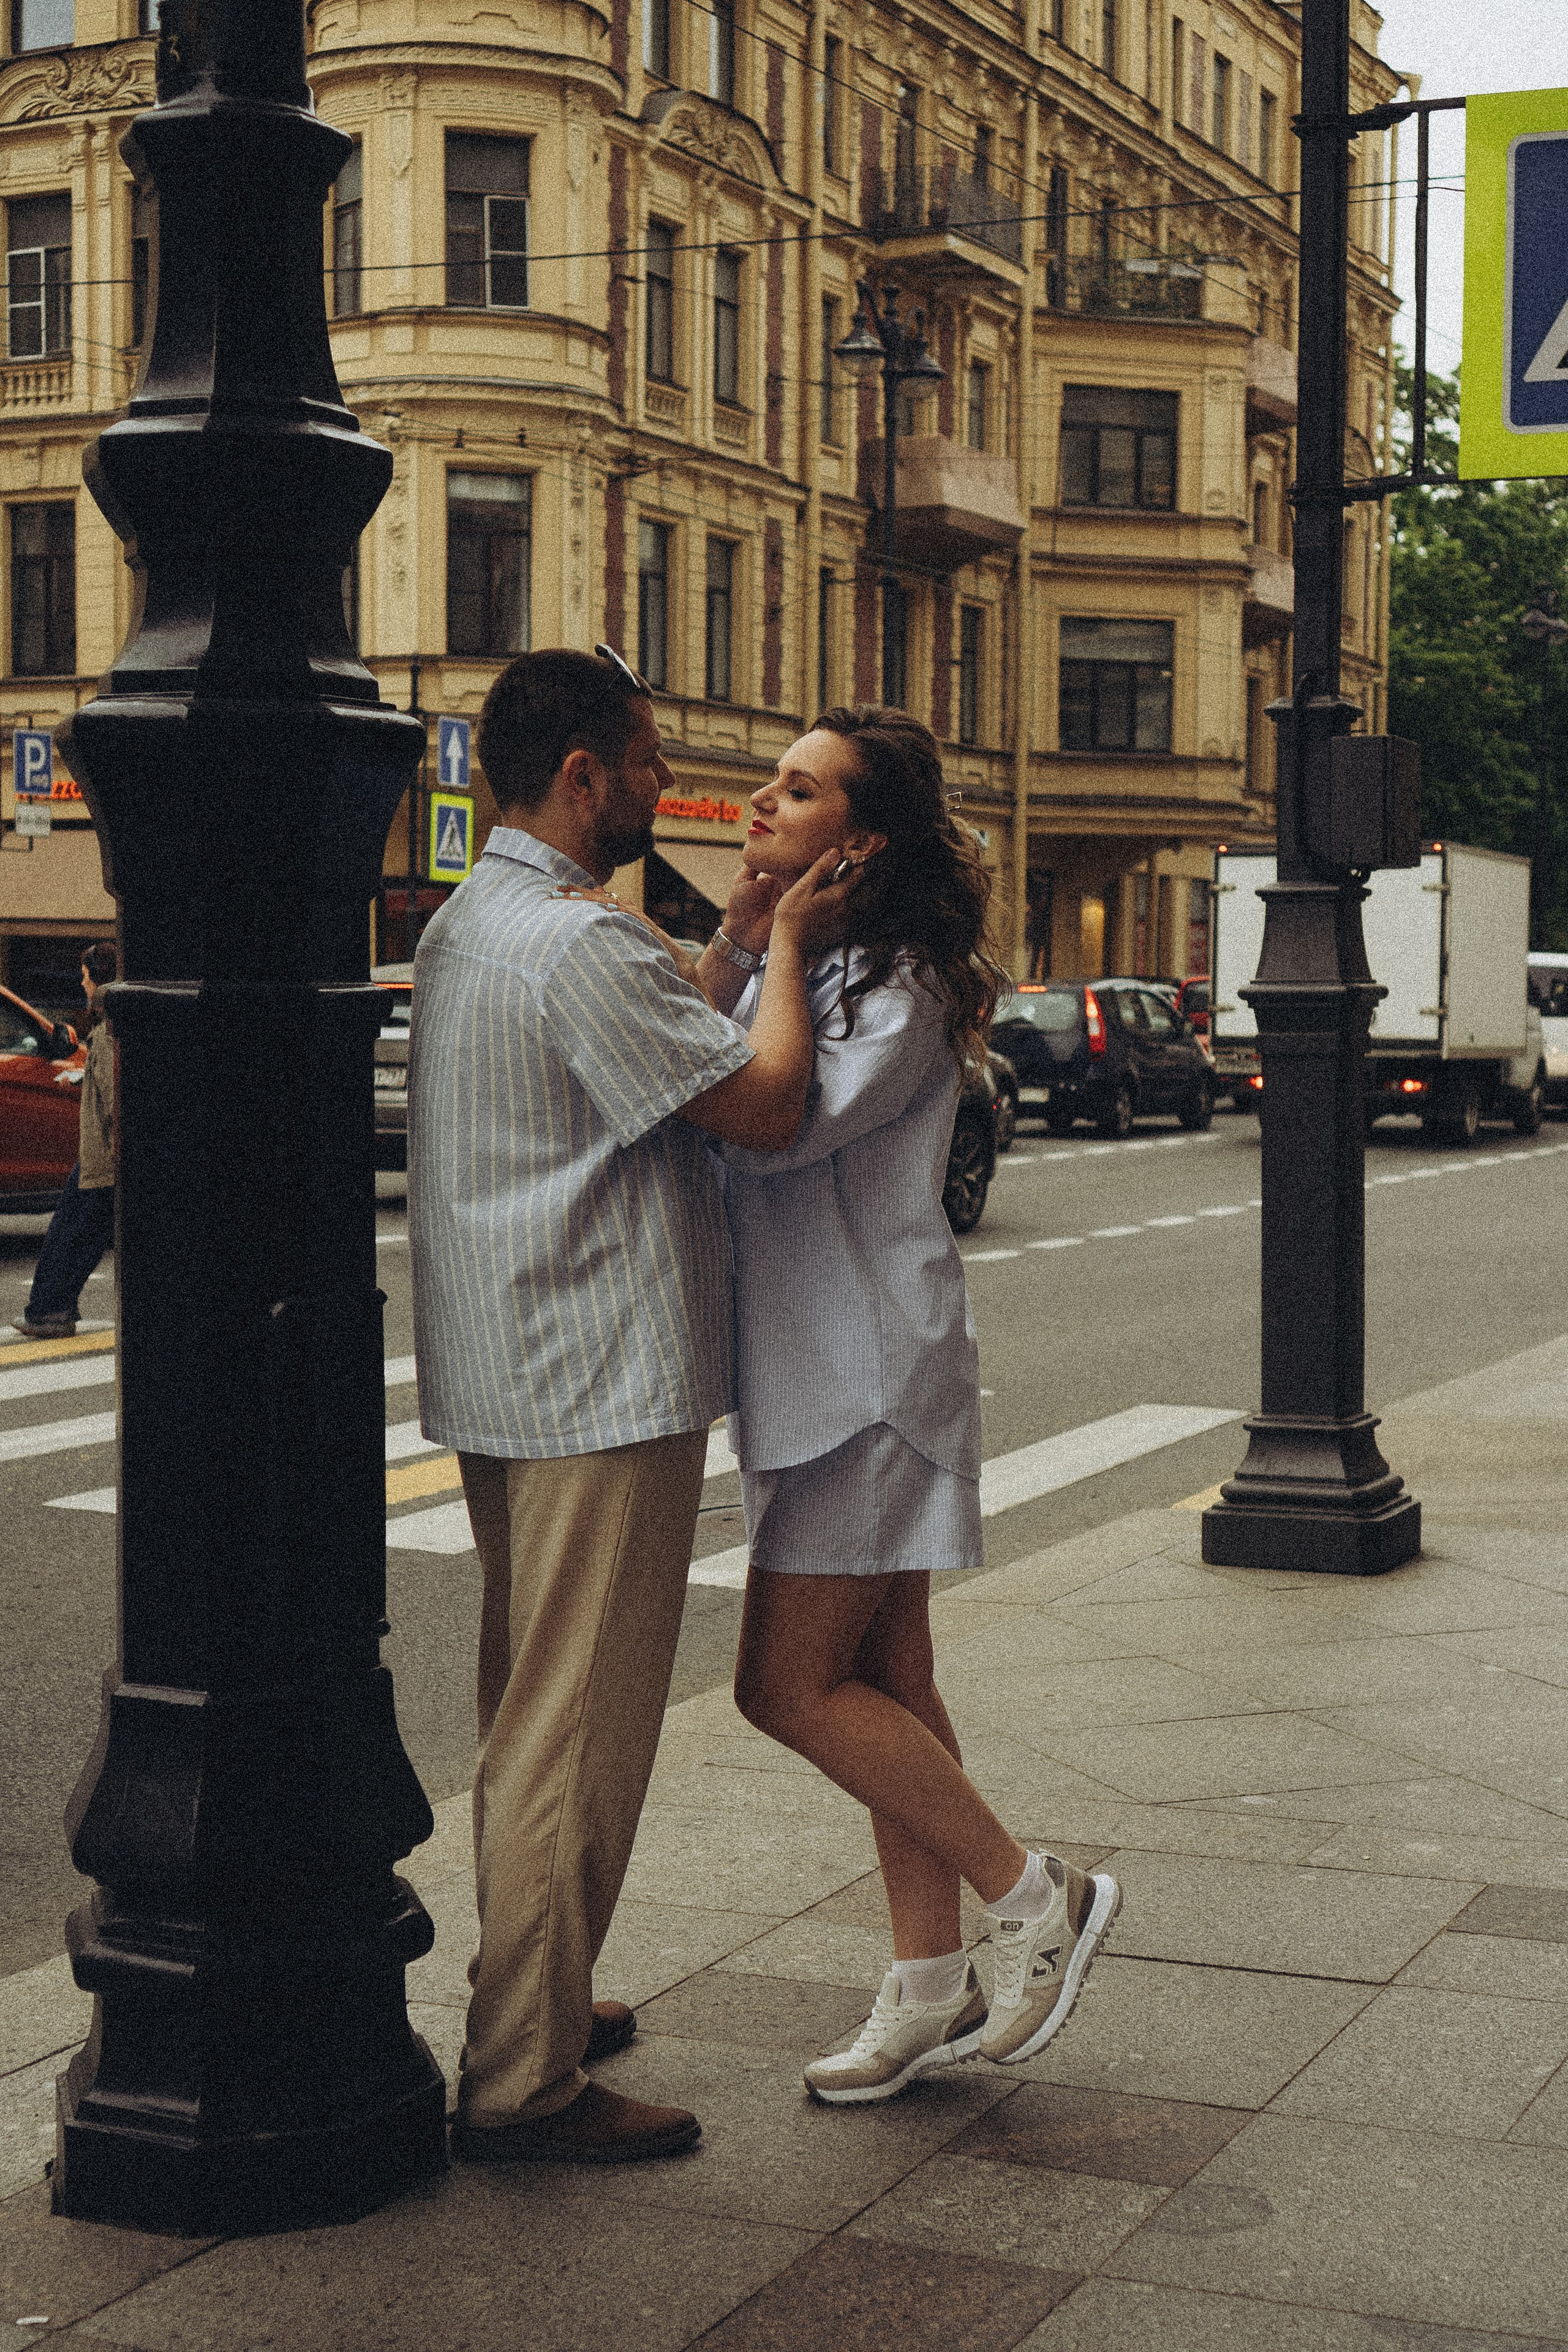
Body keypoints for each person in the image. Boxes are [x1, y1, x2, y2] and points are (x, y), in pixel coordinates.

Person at [407, 648, 846, 2165]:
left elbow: (654, 1050)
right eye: (649, 761)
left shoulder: (476, 922)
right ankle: (524, 2078)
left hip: (510, 1366)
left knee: (527, 1709)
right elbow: (760, 1101)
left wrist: (727, 939)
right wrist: (790, 948)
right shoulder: (579, 943)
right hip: (597, 1376)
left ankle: (534, 1993)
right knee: (574, 1734)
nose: (669, 784)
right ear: (582, 773)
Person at [721, 707, 1123, 2104]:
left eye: (797, 790)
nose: (760, 802)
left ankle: (1035, 1896)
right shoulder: (828, 966)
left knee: (781, 1685)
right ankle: (925, 1981)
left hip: (864, 1377)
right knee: (890, 1682)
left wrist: (772, 947)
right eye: (770, 780)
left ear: (862, 843)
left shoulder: (896, 988)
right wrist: (755, 939)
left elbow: (768, 1122)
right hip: (816, 1369)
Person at [16, 942, 118, 1341]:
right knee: (79, 1239)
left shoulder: (108, 1034)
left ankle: (49, 1313)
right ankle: (52, 1311)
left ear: (100, 981)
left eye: (86, 976)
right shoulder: (114, 1029)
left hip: (103, 1161)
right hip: (104, 1160)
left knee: (68, 1238)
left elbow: (116, 1102)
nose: (82, 983)